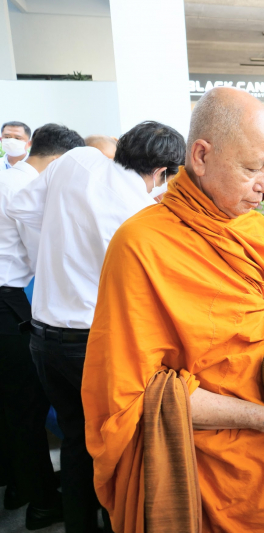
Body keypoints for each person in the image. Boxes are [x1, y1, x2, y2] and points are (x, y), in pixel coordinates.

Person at [82, 87, 264, 532]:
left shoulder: (258, 233)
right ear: (200, 156)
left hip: (258, 462)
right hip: (193, 462)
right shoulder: (141, 245)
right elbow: (132, 396)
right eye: (252, 169)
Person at [8, 120, 185, 533]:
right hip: (90, 342)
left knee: (74, 440)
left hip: (42, 334)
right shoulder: (142, 215)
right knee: (114, 444)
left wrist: (63, 232)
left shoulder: (77, 158)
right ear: (161, 173)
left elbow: (20, 207)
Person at [0, 123, 84, 530]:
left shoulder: (10, 180)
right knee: (27, 407)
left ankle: (20, 486)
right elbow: (44, 257)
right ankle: (42, 503)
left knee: (15, 406)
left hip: (13, 300)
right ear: (61, 160)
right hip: (11, 301)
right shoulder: (26, 189)